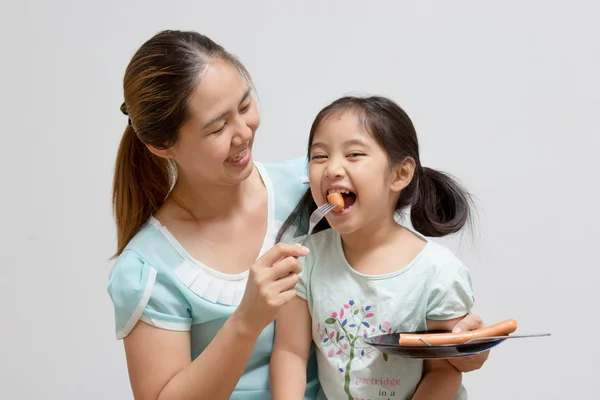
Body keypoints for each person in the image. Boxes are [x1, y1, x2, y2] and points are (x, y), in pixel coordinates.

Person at [106, 30, 489, 400]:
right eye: (218, 127)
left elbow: (397, 276)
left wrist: (462, 350)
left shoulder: (309, 188)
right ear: (161, 146)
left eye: (244, 105)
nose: (243, 132)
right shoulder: (149, 269)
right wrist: (246, 320)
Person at [271, 95, 480, 400]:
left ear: (400, 174)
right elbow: (290, 352)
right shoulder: (304, 258)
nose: (332, 169)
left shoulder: (439, 273)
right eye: (319, 156)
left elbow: (445, 370)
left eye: (354, 154)